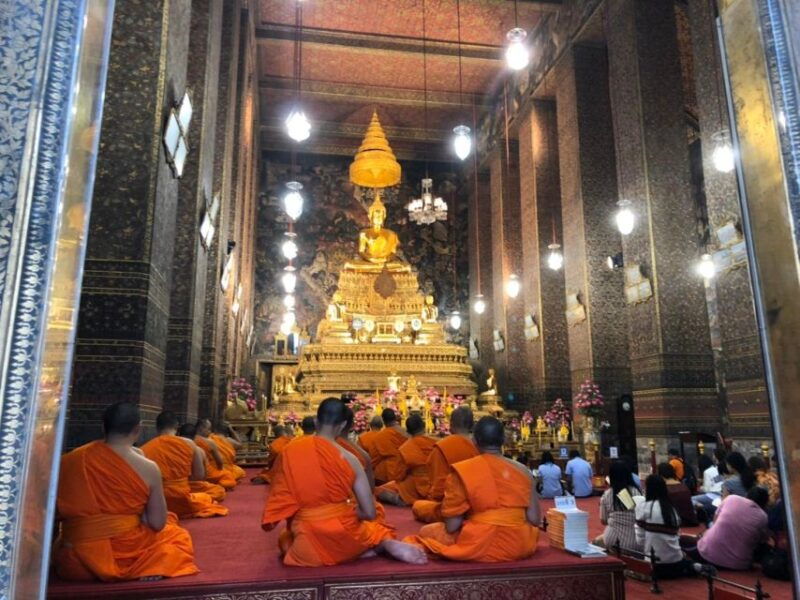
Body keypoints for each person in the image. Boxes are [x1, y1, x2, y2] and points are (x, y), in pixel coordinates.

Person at [261, 397, 428, 566]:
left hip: (307, 538)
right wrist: (347, 510)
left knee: (285, 539)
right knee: (373, 525)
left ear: (316, 421)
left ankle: (362, 550)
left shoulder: (290, 451)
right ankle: (380, 544)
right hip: (345, 533)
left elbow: (281, 498)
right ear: (342, 426)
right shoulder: (352, 459)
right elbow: (369, 512)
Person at [53, 402, 198, 581]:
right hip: (126, 556)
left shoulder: (70, 460)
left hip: (75, 562)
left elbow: (55, 512)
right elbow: (157, 523)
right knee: (176, 535)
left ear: (103, 427)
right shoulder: (148, 467)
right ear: (138, 429)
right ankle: (149, 566)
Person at [405, 416, 541, 562]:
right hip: (519, 545)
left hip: (479, 543)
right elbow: (534, 519)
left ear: (474, 441)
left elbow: (452, 526)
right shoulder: (524, 471)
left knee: (427, 531)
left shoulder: (464, 470)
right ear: (504, 440)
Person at [141, 411, 228, 519]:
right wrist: (180, 480)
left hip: (157, 500)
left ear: (157, 427)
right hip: (182, 498)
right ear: (177, 426)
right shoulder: (189, 444)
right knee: (216, 492)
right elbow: (198, 476)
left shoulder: (144, 449)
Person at [412, 407, 479, 523]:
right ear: (472, 425)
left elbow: (437, 488)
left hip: (449, 508)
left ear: (451, 424)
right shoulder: (479, 447)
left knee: (418, 506)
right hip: (477, 505)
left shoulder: (443, 446)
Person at [635, 474, 705, 579]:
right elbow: (676, 535)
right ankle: (692, 566)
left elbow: (640, 540)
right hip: (675, 561)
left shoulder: (643, 507)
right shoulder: (671, 509)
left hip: (654, 564)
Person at [690, 487, 770, 570]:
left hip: (706, 554)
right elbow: (762, 540)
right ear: (765, 504)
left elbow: (715, 521)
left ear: (747, 495)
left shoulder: (731, 498)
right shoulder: (763, 517)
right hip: (738, 565)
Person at [376, 414, 436, 506]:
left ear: (408, 430)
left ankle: (401, 499)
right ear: (424, 426)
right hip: (434, 485)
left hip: (413, 488)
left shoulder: (405, 448)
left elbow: (398, 475)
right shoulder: (436, 443)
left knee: (380, 490)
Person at [595, 461, 642, 550]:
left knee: (596, 541)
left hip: (613, 539)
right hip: (636, 540)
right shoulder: (637, 492)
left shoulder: (607, 494)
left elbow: (603, 520)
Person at [177, 423, 226, 502]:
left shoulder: (169, 446)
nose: (209, 431)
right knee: (219, 491)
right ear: (195, 436)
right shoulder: (198, 450)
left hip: (174, 488)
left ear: (178, 434)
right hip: (192, 486)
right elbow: (201, 476)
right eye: (208, 429)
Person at [336, 408, 377, 489]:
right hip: (354, 499)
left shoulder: (319, 447)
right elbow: (370, 488)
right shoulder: (363, 456)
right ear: (352, 425)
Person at [194, 419, 237, 490]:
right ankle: (217, 486)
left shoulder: (188, 441)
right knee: (228, 476)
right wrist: (221, 470)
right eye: (208, 429)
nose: (210, 432)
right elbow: (219, 462)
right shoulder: (210, 442)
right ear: (201, 428)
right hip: (207, 473)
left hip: (190, 474)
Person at [370, 409, 409, 485]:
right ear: (395, 418)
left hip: (386, 474)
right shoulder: (406, 433)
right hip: (404, 471)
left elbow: (374, 457)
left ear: (383, 420)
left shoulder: (380, 436)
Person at [692, 454, 723, 524]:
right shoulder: (717, 468)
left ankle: (702, 510)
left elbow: (706, 489)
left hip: (712, 495)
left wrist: (700, 488)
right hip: (721, 493)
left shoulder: (706, 472)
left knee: (691, 499)